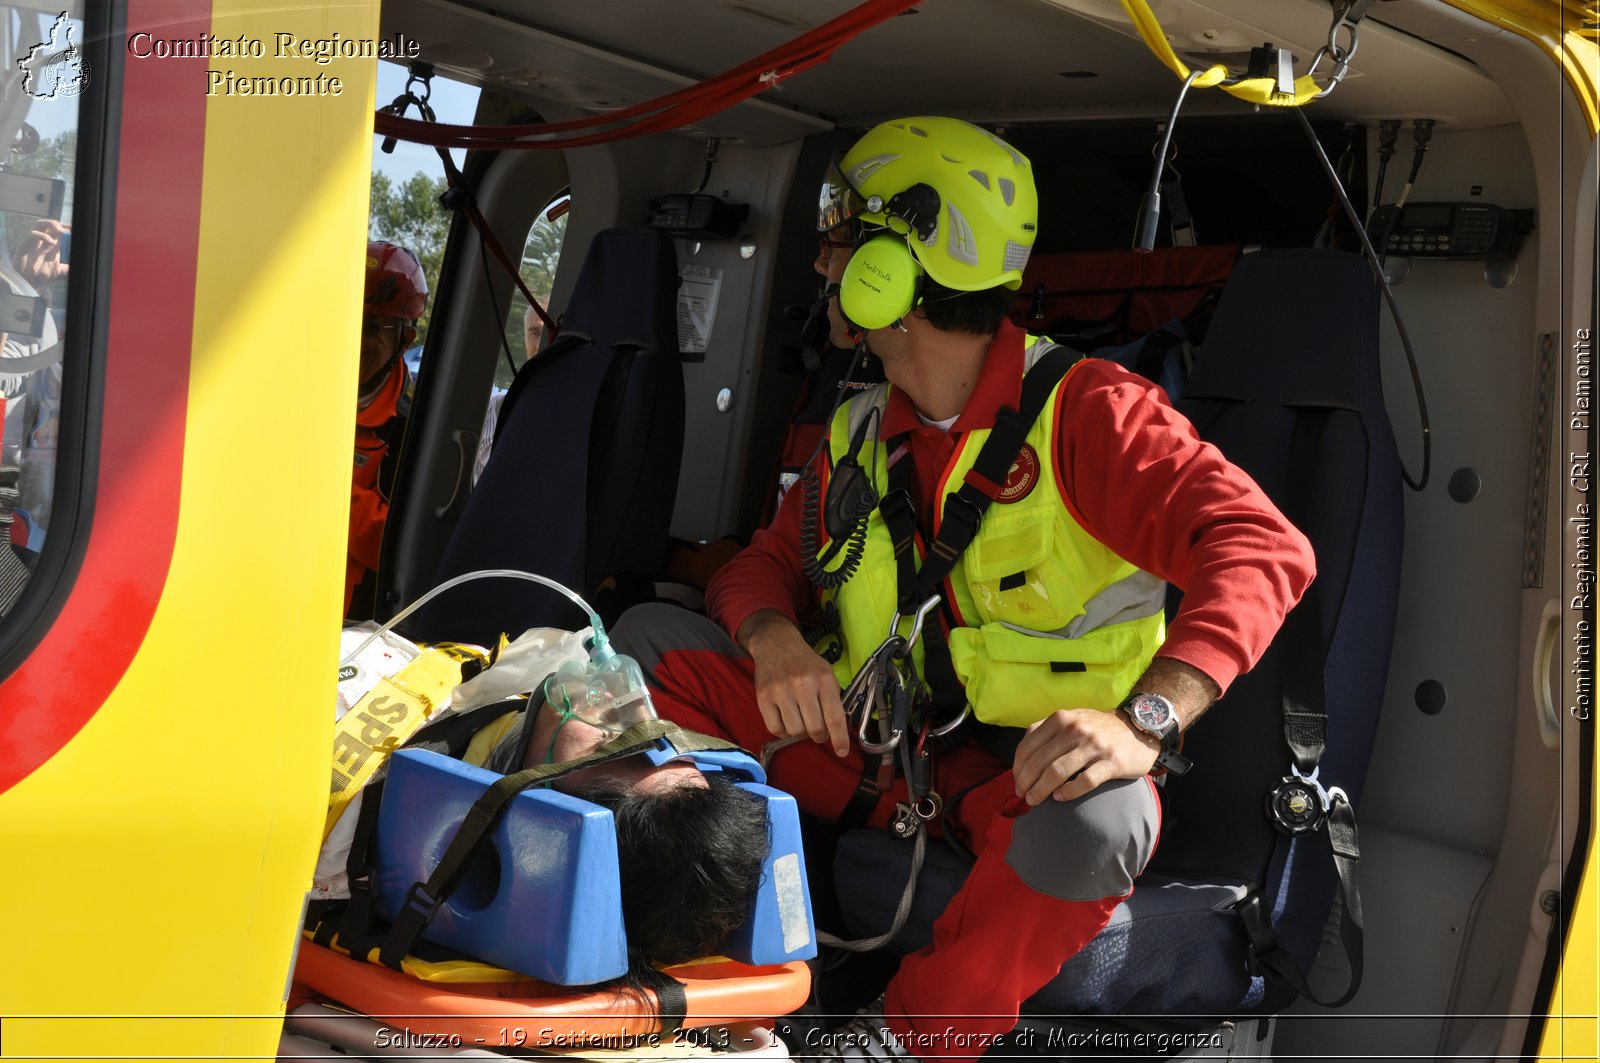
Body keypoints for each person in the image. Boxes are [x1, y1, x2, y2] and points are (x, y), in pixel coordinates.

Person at [607, 116, 1315, 1061]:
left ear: (894, 273)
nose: (824, 265)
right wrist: (772, 634)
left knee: (1108, 818)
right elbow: (757, 566)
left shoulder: (1090, 413)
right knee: (647, 642)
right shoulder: (860, 429)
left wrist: (1145, 722)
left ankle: (902, 1038)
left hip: (1021, 785)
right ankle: (672, 941)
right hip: (871, 755)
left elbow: (1264, 546)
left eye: (842, 238)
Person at [347, 241, 425, 619]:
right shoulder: (295, 394)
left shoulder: (413, 429)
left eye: (370, 327)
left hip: (350, 632)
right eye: (344, 319)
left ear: (405, 339)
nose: (351, 340)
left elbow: (403, 548)